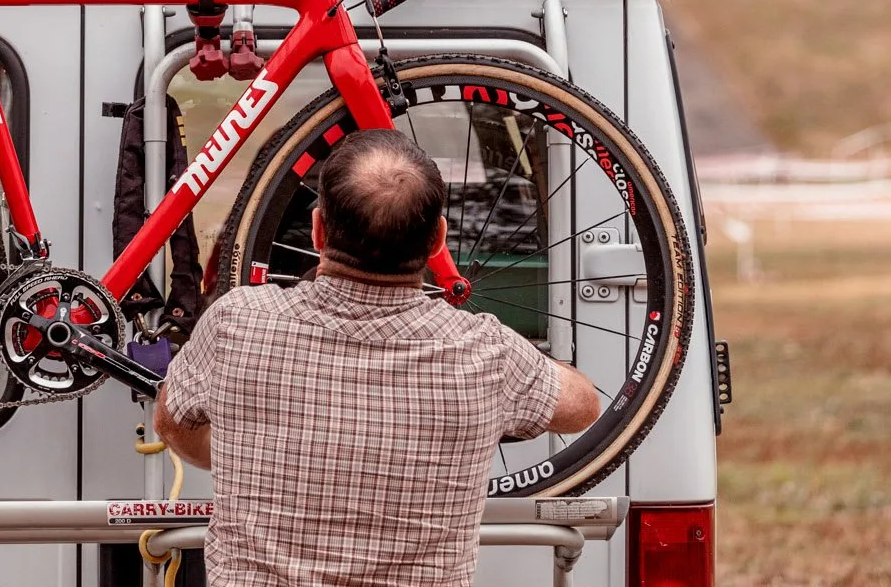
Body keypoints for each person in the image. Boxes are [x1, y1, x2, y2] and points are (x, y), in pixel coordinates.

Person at [155, 128, 601, 587]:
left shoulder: (236, 322)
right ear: (437, 241)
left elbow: (171, 422)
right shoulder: (487, 351)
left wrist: (232, 452)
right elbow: (583, 405)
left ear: (318, 231)